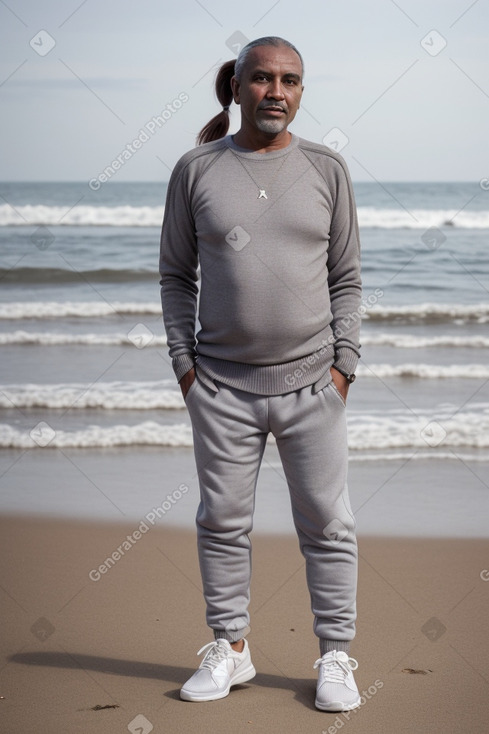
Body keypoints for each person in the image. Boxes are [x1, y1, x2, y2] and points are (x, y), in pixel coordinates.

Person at [159, 36, 362, 712]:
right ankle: (231, 651)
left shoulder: (327, 169)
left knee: (328, 525)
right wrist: (186, 368)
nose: (276, 91)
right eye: (262, 78)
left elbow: (346, 279)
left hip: (313, 384)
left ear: (300, 91)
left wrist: (344, 368)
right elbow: (174, 276)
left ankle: (335, 655)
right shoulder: (196, 170)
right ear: (236, 87)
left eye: (290, 80)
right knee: (220, 520)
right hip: (220, 387)